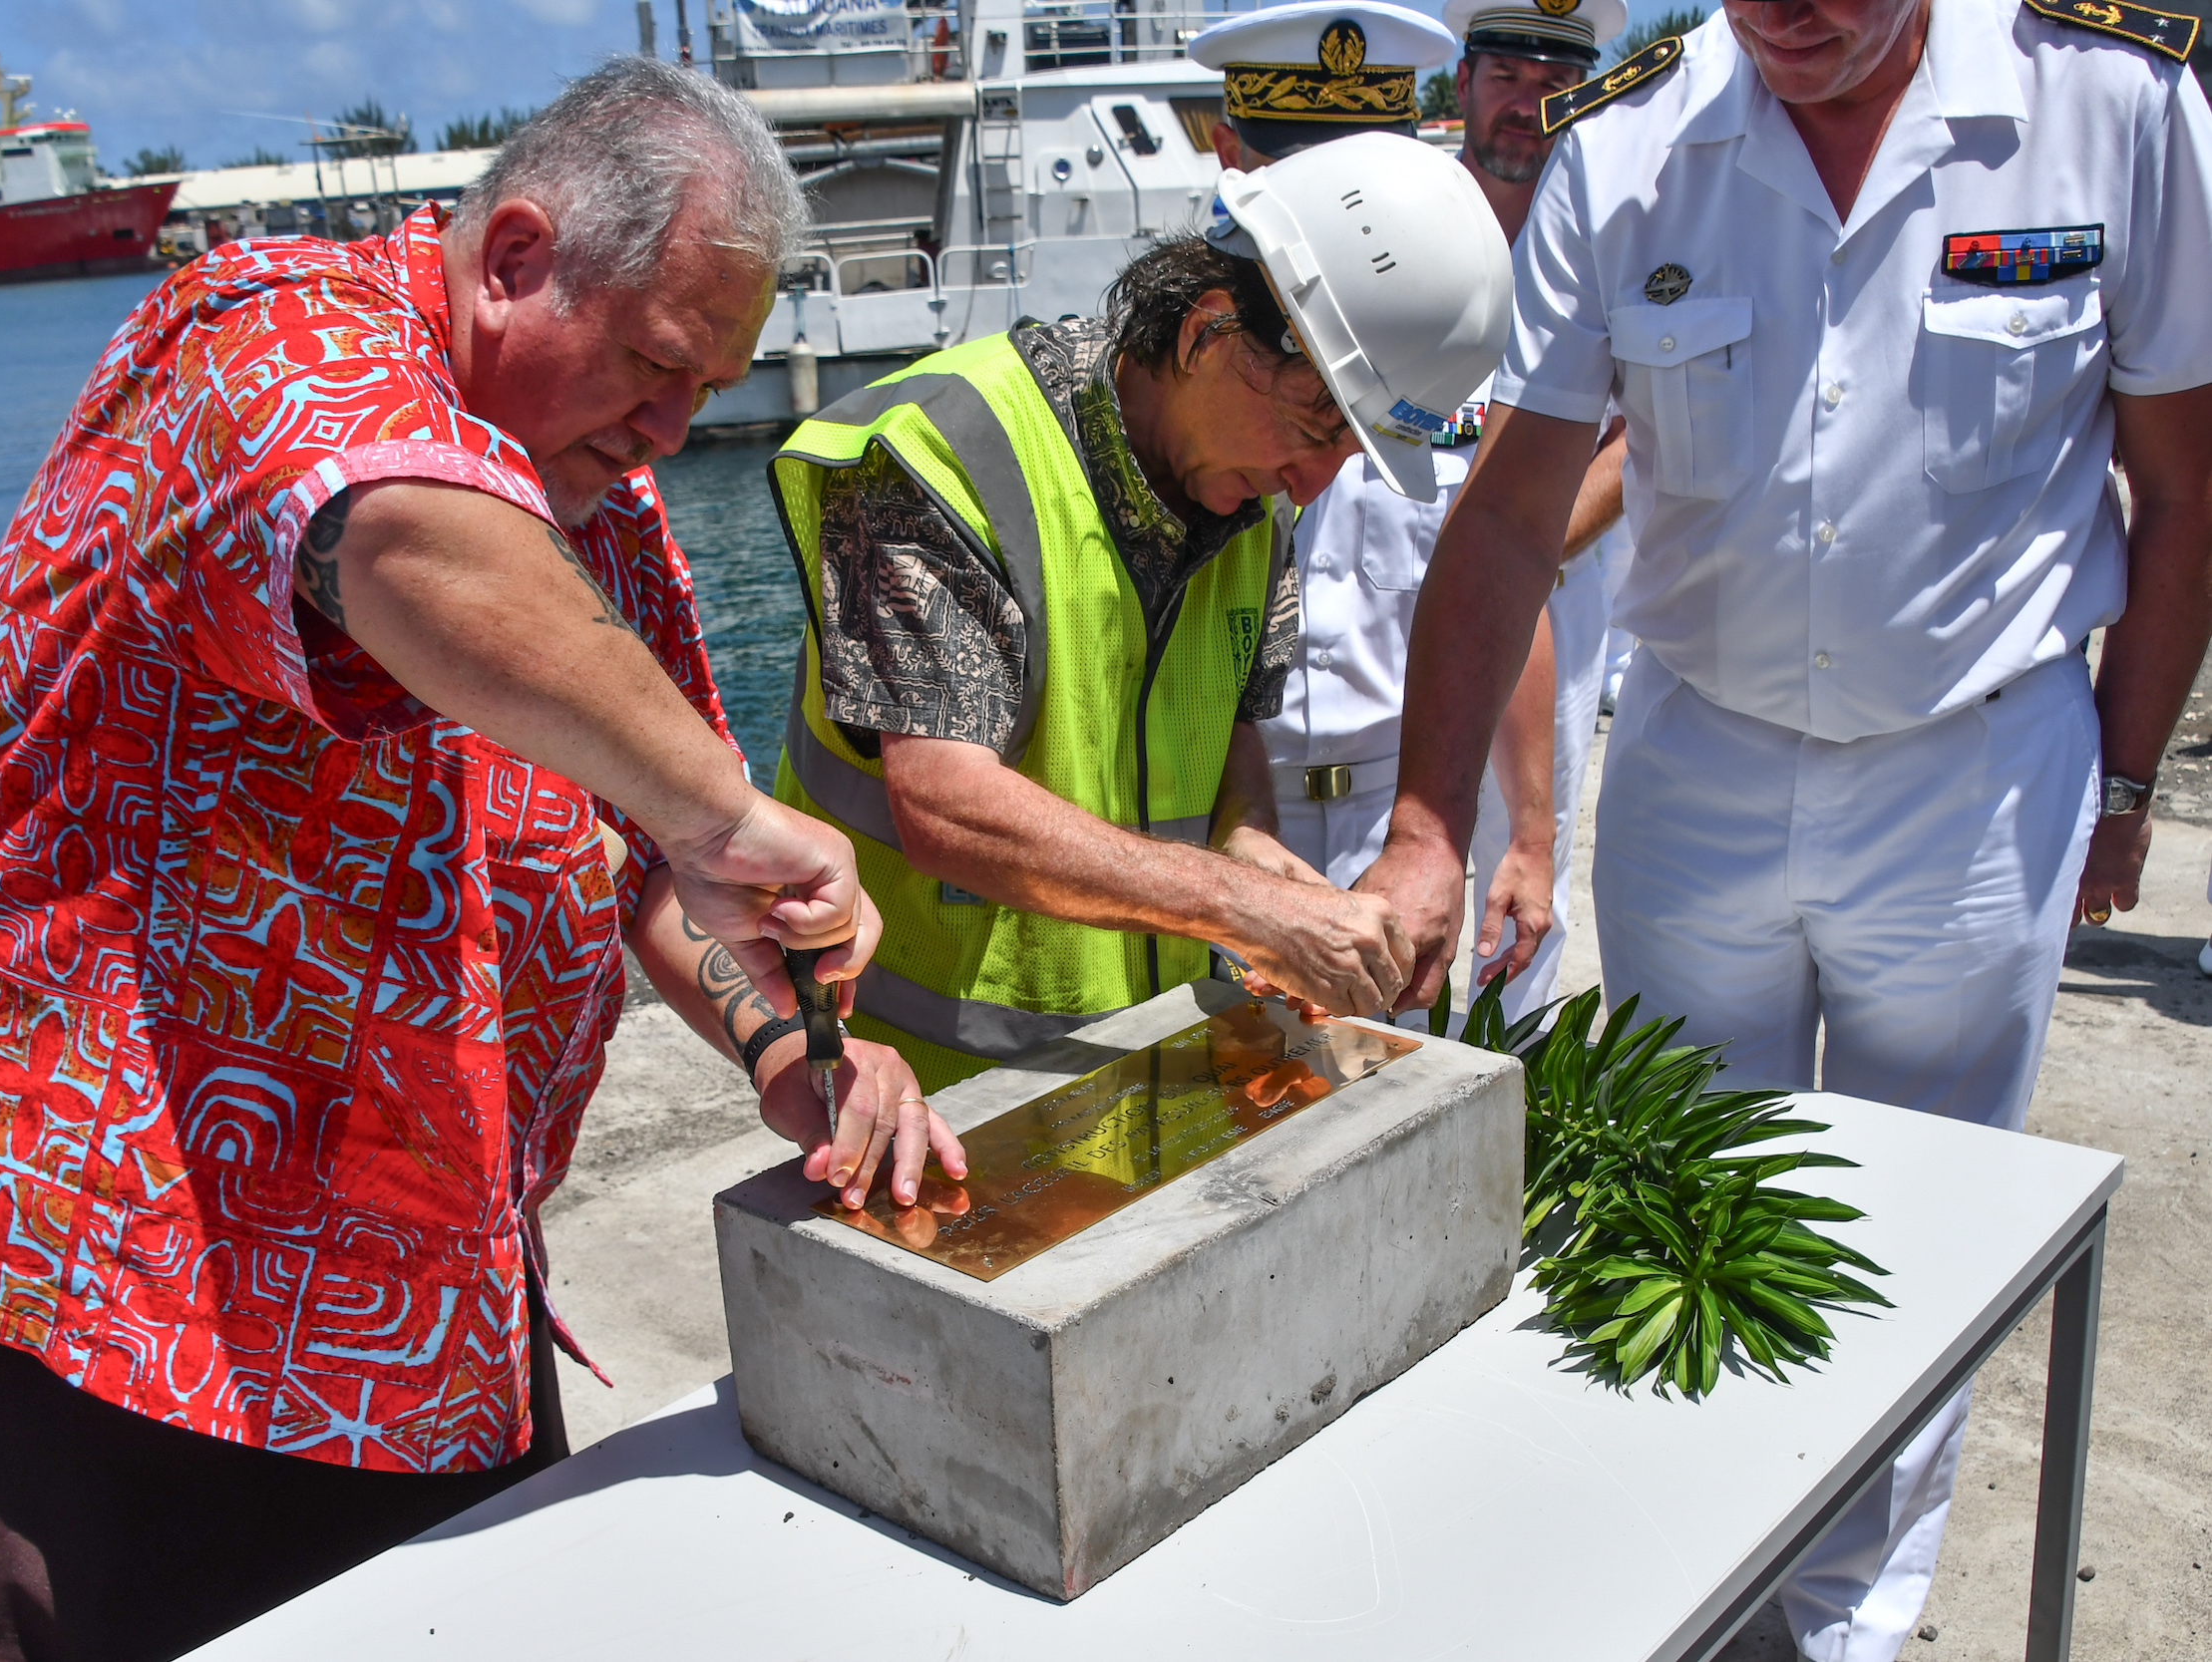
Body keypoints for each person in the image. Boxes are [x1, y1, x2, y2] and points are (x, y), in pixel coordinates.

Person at [0, 60, 962, 1662]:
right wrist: (734, 813)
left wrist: (792, 1049)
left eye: (703, 391)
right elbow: (396, 531)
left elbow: (638, 843)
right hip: (129, 1267)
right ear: (513, 257)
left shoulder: (596, 481)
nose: (670, 429)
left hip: (425, 1270)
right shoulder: (260, 337)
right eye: (654, 364)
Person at [1364, 2, 2212, 1657]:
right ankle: (1708, 1589)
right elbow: (1511, 514)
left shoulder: (2109, 102)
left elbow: (2186, 483)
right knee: (1678, 1214)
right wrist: (1424, 823)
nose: (1793, 18)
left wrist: (2122, 780)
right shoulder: (1629, 141)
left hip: (1975, 776)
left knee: (1909, 1242)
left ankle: (1848, 1628)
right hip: (1701, 764)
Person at [770, 132, 1514, 1094]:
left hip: (1143, 1079)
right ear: (1208, 331)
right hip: (919, 1092)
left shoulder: (1254, 501)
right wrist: (1245, 906)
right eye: (1316, 426)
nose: (1315, 479)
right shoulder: (939, 458)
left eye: (1350, 453)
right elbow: (945, 805)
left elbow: (1231, 743)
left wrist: (1256, 851)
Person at [1191, 0, 1632, 1016]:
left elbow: (1499, 573)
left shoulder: (1458, 311)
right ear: (1227, 151)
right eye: (1296, 163)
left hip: (1407, 793)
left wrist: (1524, 831)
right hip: (1223, 811)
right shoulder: (1178, 348)